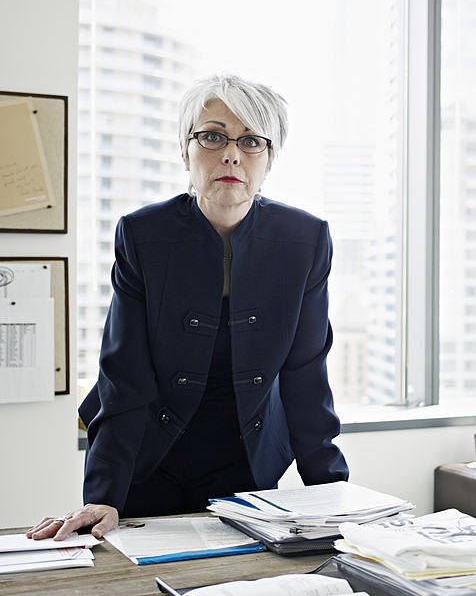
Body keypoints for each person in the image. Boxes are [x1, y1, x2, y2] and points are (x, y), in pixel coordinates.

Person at [28, 74, 349, 541]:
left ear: (269, 159)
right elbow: (124, 374)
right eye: (213, 135)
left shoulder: (304, 240)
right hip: (149, 456)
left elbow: (305, 375)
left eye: (251, 140)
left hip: (249, 463)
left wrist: (336, 495)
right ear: (186, 149)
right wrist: (103, 495)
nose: (231, 154)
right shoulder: (144, 235)